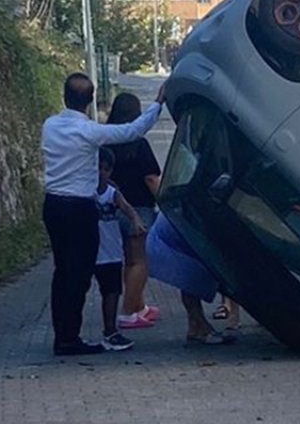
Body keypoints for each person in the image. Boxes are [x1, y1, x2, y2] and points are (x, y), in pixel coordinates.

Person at [40, 73, 164, 357]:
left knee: (63, 272)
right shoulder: (89, 132)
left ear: (64, 96)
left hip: (53, 205)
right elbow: (132, 131)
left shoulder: (49, 126)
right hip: (80, 208)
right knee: (80, 274)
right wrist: (157, 104)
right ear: (91, 99)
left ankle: (64, 334)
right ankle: (70, 340)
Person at [106, 93, 164, 330]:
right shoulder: (139, 144)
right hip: (139, 208)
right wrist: (164, 201)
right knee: (140, 261)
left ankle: (139, 306)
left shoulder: (106, 140)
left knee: (128, 261)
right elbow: (151, 178)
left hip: (113, 208)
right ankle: (129, 312)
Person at [147, 211, 237, 346]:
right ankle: (201, 327)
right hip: (178, 229)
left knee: (189, 279)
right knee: (190, 279)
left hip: (175, 226)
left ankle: (195, 327)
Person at [92, 148, 147, 351]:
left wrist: (136, 220)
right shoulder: (82, 191)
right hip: (90, 250)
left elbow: (127, 208)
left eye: (105, 169)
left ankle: (110, 331)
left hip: (110, 252)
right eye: (97, 167)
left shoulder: (112, 193)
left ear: (111, 171)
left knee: (112, 292)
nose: (101, 173)